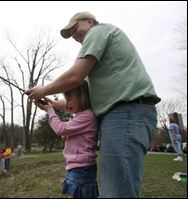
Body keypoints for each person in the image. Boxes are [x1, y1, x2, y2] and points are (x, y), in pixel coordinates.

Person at [26, 11, 161, 198]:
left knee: (117, 193)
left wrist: (43, 90)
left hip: (126, 112)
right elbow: (83, 99)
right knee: (112, 190)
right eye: (70, 34)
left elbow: (75, 76)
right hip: (123, 114)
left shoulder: (98, 32)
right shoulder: (100, 65)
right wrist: (54, 104)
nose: (74, 35)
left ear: (90, 21)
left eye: (75, 28)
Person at [35, 80, 98, 198]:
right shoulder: (81, 116)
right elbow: (69, 135)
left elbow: (60, 129)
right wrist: (51, 104)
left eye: (69, 99)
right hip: (77, 168)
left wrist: (50, 111)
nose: (66, 103)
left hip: (82, 169)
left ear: (82, 97)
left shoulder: (87, 116)